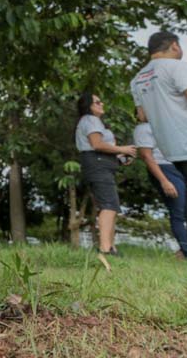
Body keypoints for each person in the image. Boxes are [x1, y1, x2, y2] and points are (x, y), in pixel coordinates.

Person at [131, 31, 187, 268]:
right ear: (174, 45)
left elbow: (142, 115)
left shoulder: (139, 78)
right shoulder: (176, 66)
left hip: (171, 145)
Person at [73, 92, 136, 255]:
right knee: (108, 206)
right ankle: (105, 248)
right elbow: (97, 144)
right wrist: (122, 149)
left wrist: (120, 158)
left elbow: (101, 148)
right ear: (88, 106)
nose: (102, 104)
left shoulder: (91, 121)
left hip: (100, 164)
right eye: (97, 102)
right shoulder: (91, 120)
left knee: (111, 205)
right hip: (97, 164)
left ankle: (110, 247)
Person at [133, 108, 187, 259]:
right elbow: (147, 157)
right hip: (164, 170)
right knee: (178, 212)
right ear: (137, 116)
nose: (147, 110)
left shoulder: (161, 126)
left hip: (175, 169)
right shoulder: (142, 129)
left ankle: (185, 251)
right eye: (141, 109)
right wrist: (164, 180)